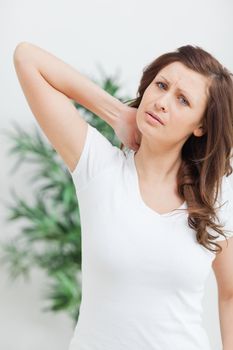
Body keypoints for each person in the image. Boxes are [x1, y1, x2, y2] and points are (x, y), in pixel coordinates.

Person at [13, 42, 233, 350]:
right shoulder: (98, 167)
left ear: (201, 126)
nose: (162, 102)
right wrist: (117, 113)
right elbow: (27, 58)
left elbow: (230, 293)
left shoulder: (213, 198)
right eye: (161, 85)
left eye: (183, 99)